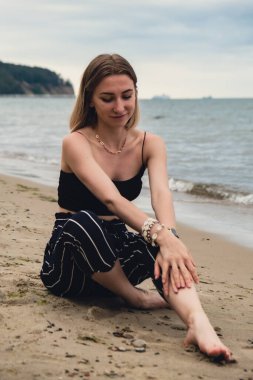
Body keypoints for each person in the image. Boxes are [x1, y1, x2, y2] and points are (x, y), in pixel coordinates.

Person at [40, 53, 232, 361]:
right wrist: (159, 234)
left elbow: (161, 194)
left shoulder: (150, 143)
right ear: (90, 100)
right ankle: (135, 298)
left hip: (116, 257)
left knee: (164, 242)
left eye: (126, 96)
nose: (120, 107)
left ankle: (199, 324)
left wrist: (169, 238)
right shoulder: (75, 142)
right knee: (85, 222)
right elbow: (111, 200)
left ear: (136, 94)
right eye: (108, 98)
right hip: (70, 264)